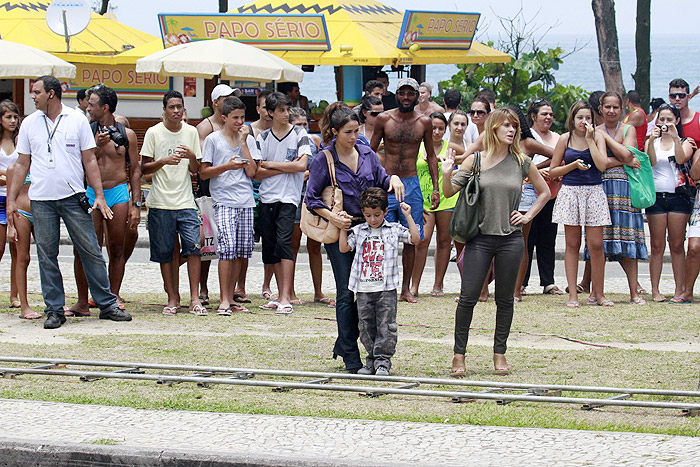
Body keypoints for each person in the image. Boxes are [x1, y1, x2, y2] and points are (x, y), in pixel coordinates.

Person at [6, 75, 131, 329]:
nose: (33, 96)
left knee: (90, 250)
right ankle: (54, 308)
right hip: (41, 199)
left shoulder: (77, 120)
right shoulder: (29, 123)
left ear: (51, 94)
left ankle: (106, 304)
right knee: (47, 255)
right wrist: (11, 199)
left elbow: (90, 160)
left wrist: (97, 194)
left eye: (37, 91)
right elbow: (21, 164)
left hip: (74, 196)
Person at [442, 108, 550, 377]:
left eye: (514, 126)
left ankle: (499, 353)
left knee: (505, 299)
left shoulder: (522, 161)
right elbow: (447, 191)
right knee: (467, 298)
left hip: (510, 239)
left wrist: (527, 216)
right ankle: (459, 355)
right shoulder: (475, 160)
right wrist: (446, 172)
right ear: (493, 129)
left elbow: (545, 192)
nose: (512, 130)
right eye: (506, 126)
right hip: (479, 238)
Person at [306, 103, 403, 373]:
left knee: (368, 292)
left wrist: (393, 179)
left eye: (356, 130)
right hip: (342, 231)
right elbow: (311, 198)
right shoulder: (323, 159)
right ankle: (350, 354)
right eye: (348, 132)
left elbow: (381, 180)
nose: (354, 136)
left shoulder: (367, 153)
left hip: (370, 232)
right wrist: (333, 217)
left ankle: (347, 342)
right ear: (335, 132)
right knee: (346, 292)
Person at [67, 85, 141, 316]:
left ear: (105, 107)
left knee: (117, 247)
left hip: (117, 191)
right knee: (85, 248)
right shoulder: (86, 131)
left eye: (92, 104)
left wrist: (136, 204)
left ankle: (113, 296)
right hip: (91, 192)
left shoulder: (126, 134)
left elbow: (136, 169)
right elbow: (79, 165)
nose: (87, 107)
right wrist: (96, 147)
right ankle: (82, 301)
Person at [370, 77, 439, 303]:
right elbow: (370, 152)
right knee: (382, 235)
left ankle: (406, 289)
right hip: (387, 183)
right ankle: (383, 285)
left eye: (411, 93)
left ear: (417, 96)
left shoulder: (424, 122)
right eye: (403, 93)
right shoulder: (384, 119)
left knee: (412, 238)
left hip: (411, 183)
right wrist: (372, 182)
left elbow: (431, 155)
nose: (406, 97)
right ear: (397, 95)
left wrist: (436, 189)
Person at [339, 188, 420, 376]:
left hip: (386, 288)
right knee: (365, 326)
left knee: (386, 325)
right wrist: (342, 228)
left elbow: (415, 239)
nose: (373, 219)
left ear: (385, 212)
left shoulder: (393, 230)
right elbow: (344, 248)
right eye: (368, 215)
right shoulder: (358, 231)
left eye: (377, 215)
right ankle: (371, 359)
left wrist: (407, 215)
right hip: (363, 287)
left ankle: (383, 361)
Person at [141, 90, 205, 316]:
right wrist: (163, 161)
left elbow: (197, 171)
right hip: (160, 201)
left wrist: (191, 157)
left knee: (194, 248)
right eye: (172, 107)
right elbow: (144, 169)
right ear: (164, 109)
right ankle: (172, 297)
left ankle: (195, 298)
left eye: (180, 107)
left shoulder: (191, 132)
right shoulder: (153, 133)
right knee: (166, 253)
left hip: (186, 200)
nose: (176, 111)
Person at [549, 101, 610, 309]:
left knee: (596, 245)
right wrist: (573, 165)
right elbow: (553, 170)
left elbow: (602, 165)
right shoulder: (565, 139)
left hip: (594, 191)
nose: (584, 122)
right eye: (580, 118)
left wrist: (591, 140)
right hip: (571, 192)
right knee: (572, 244)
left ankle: (599, 293)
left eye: (588, 118)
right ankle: (573, 293)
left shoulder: (598, 136)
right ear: (572, 119)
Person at [200, 96, 258, 314]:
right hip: (223, 200)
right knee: (227, 249)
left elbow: (253, 172)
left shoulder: (248, 140)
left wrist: (243, 143)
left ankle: (232, 296)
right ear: (224, 118)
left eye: (242, 117)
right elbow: (204, 172)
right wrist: (226, 166)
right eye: (235, 117)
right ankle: (223, 299)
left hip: (245, 200)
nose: (240, 122)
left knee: (241, 251)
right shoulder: (214, 140)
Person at [254, 92, 310, 315]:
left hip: (289, 198)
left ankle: (286, 296)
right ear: (270, 112)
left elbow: (301, 166)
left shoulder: (299, 133)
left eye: (288, 109)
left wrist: (270, 165)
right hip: (267, 197)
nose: (286, 114)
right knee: (270, 247)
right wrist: (285, 165)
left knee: (285, 243)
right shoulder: (263, 137)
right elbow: (257, 173)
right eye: (281, 110)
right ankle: (278, 295)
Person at [593, 91, 648, 305]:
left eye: (615, 107)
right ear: (601, 108)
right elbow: (602, 164)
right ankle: (597, 292)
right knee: (598, 242)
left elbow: (629, 154)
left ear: (622, 108)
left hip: (626, 189)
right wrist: (622, 158)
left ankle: (634, 291)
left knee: (629, 240)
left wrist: (608, 143)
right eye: (607, 107)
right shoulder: (596, 131)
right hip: (600, 187)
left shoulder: (628, 129)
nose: (612, 111)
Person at [645, 104, 694, 302]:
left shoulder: (685, 142)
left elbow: (682, 159)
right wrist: (650, 140)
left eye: (669, 120)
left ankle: (679, 289)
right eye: (661, 119)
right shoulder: (653, 142)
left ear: (677, 121)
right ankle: (655, 289)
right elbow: (651, 162)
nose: (665, 123)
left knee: (676, 245)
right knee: (656, 246)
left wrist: (674, 137)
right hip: (656, 197)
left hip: (678, 197)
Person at [195, 83, 237, 305]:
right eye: (226, 98)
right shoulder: (206, 127)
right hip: (209, 191)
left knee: (233, 245)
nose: (230, 100)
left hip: (232, 191)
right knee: (208, 243)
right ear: (215, 102)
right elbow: (204, 161)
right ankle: (202, 287)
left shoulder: (237, 125)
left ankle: (233, 290)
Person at [287, 107, 332, 307]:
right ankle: (289, 290)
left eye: (305, 124)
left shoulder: (314, 142)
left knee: (315, 245)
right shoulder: (289, 141)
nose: (303, 128)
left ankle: (318, 291)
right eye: (298, 125)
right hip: (294, 196)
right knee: (294, 246)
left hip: (313, 197)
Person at [410, 112, 455, 297]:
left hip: (446, 198)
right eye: (433, 127)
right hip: (423, 199)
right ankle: (414, 285)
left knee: (444, 241)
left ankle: (438, 285)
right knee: (422, 240)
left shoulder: (451, 147)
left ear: (446, 130)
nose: (436, 132)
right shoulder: (418, 146)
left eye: (440, 128)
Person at [522, 98, 563, 295]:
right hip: (528, 194)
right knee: (527, 239)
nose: (548, 117)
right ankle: (522, 281)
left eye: (550, 114)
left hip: (552, 194)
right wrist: (536, 172)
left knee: (548, 239)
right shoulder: (528, 137)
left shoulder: (557, 137)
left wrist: (553, 170)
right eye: (543, 114)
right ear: (533, 116)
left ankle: (548, 281)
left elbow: (560, 157)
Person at [250, 90, 275, 302]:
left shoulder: (282, 132)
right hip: (250, 190)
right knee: (244, 243)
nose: (268, 112)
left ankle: (267, 284)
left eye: (271, 108)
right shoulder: (249, 132)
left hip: (274, 191)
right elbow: (254, 169)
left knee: (271, 242)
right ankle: (239, 286)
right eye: (265, 107)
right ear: (258, 109)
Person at [6, 163, 38, 319]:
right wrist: (10, 225)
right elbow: (10, 199)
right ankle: (23, 305)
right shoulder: (14, 169)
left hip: (41, 211)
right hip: (21, 213)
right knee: (22, 258)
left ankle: (54, 301)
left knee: (48, 256)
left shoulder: (40, 163)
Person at [0, 100, 21, 310]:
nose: (13, 121)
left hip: (16, 198)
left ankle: (14, 295)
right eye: (8, 117)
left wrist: (9, 176)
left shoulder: (21, 141)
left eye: (15, 117)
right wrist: (10, 175)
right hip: (0, 198)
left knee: (18, 250)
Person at [669, 79, 700, 149]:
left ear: (689, 97)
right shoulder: (663, 120)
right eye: (673, 96)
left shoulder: (698, 120)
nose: (677, 99)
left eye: (681, 95)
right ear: (669, 98)